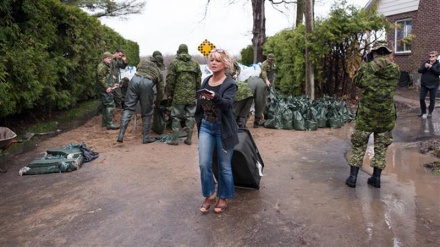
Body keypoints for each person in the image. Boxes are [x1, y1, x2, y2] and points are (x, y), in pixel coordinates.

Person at [345, 41, 400, 188]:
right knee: (381, 148)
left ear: (374, 53)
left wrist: (367, 64)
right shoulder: (395, 69)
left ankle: (352, 178)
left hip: (366, 117)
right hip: (386, 117)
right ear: (387, 53)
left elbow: (357, 82)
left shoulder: (367, 69)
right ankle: (376, 179)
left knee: (359, 145)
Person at [195, 48, 238, 214]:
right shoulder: (206, 80)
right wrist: (199, 119)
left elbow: (227, 105)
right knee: (204, 163)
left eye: (217, 60)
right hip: (207, 125)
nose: (213, 62)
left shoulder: (230, 84)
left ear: (225, 63)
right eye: (211, 59)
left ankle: (223, 197)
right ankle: (209, 194)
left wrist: (215, 97)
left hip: (224, 128)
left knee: (224, 166)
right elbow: (199, 104)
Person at [116, 58, 164, 144]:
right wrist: (157, 102)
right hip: (147, 84)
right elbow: (160, 90)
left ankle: (121, 135)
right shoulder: (158, 71)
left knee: (128, 108)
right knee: (147, 113)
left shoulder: (143, 62)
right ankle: (145, 138)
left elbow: (137, 70)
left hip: (134, 81)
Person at [165, 44, 202, 145]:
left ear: (179, 51)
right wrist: (197, 92)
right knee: (190, 116)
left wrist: (169, 93)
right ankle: (189, 139)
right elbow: (199, 80)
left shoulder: (174, 63)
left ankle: (175, 140)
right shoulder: (195, 64)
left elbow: (170, 80)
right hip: (191, 95)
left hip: (178, 95)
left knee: (176, 116)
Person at [96, 51, 120, 130]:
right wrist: (107, 87)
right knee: (110, 105)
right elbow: (101, 78)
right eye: (108, 58)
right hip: (105, 89)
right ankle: (109, 124)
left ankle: (105, 123)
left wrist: (112, 82)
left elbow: (106, 76)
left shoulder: (106, 65)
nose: (110, 59)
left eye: (111, 58)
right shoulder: (102, 66)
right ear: (104, 58)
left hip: (107, 87)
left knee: (105, 105)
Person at [417, 51, 440, 118]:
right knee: (421, 98)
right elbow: (419, 70)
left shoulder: (438, 64)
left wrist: (431, 67)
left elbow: (438, 72)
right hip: (424, 84)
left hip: (434, 85)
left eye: (433, 56)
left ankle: (430, 112)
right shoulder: (426, 63)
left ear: (436, 57)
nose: (431, 58)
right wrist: (425, 66)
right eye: (430, 56)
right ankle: (423, 111)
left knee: (432, 99)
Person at [231, 61, 254, 128]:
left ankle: (235, 128)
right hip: (250, 94)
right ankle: (242, 127)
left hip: (240, 93)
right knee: (243, 115)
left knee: (234, 113)